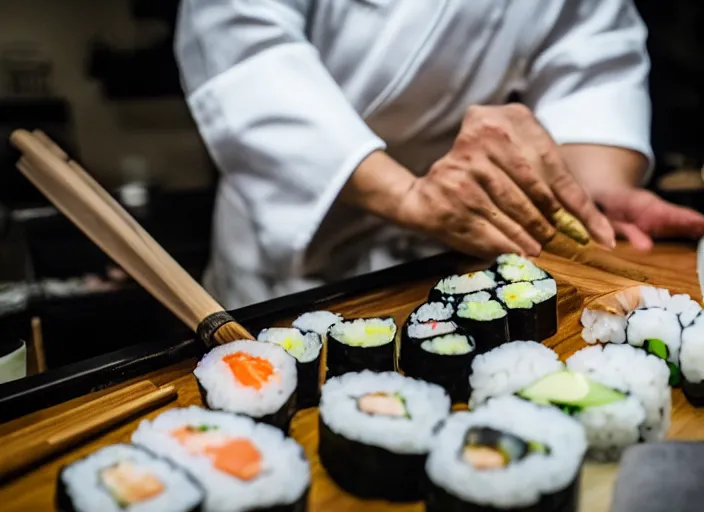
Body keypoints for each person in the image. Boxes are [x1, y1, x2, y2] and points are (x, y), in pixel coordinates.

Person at [175, 0, 704, 309]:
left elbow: (593, 64)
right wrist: (405, 193)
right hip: (292, 244)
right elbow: (245, 54)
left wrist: (594, 190)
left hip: (466, 249)